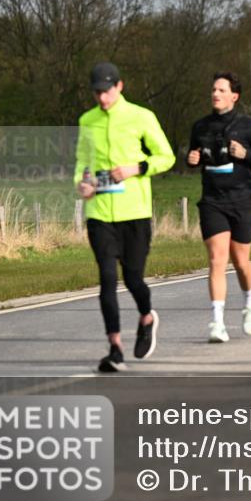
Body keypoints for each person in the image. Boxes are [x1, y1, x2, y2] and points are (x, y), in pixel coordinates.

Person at [75, 62, 175, 372]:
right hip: (100, 214)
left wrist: (137, 167)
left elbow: (166, 156)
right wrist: (82, 183)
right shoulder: (86, 121)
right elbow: (81, 162)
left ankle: (146, 317)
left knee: (133, 278)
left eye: (106, 91)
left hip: (135, 213)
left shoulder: (141, 117)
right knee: (107, 279)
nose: (102, 98)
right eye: (97, 93)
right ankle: (115, 348)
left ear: (120, 86)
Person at [187, 72, 251, 344]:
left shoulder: (248, 126)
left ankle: (249, 301)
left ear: (235, 95)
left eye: (221, 90)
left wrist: (248, 155)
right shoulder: (200, 126)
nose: (216, 94)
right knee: (216, 259)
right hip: (212, 201)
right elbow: (194, 155)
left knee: (241, 262)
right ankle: (217, 322)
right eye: (213, 90)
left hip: (242, 200)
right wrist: (192, 158)